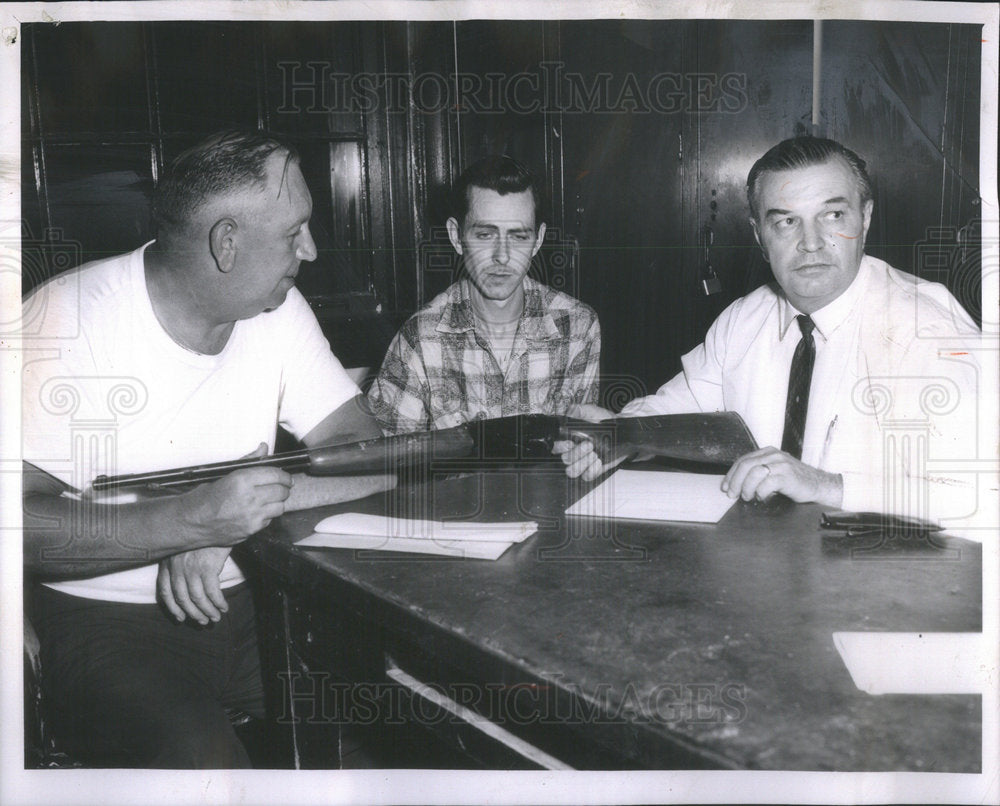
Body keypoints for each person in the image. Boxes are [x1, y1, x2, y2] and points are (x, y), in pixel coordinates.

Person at [21, 130, 388, 767]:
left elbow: (371, 453)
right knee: (209, 767)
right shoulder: (64, 320)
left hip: (260, 600)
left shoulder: (278, 309)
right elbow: (16, 527)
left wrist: (239, 516)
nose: (310, 249)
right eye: (294, 232)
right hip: (105, 624)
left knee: (388, 728)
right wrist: (193, 519)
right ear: (226, 243)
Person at [558, 136, 981, 530]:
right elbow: (679, 408)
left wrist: (827, 485)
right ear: (759, 235)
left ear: (865, 218)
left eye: (833, 215)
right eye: (786, 222)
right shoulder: (745, 319)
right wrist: (621, 433)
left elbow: (980, 496)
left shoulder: (928, 330)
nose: (811, 242)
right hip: (764, 564)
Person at [367, 155, 601, 435]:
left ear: (537, 240)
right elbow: (386, 454)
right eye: (485, 235)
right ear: (456, 237)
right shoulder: (419, 337)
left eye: (518, 236)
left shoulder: (578, 326)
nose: (502, 256)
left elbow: (580, 444)